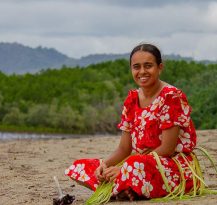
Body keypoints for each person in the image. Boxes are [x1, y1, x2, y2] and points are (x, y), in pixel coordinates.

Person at [64, 43, 200, 201]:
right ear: (131, 69)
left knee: (134, 164)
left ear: (160, 67)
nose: (142, 71)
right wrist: (105, 165)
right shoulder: (132, 99)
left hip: (169, 167)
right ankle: (126, 187)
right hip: (135, 165)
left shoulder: (171, 97)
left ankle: (125, 186)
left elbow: (167, 149)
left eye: (148, 66)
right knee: (80, 167)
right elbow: (124, 148)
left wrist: (122, 169)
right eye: (136, 67)